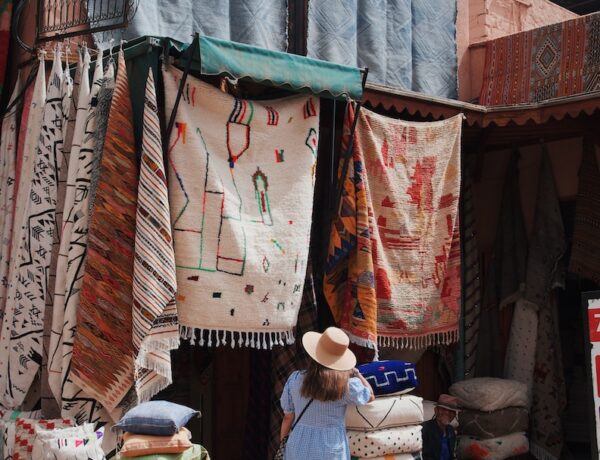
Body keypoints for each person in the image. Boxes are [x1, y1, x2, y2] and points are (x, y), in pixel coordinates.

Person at [280, 327, 375, 460]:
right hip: (330, 447)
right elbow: (370, 395)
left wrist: (283, 442)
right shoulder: (345, 386)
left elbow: (288, 417)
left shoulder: (295, 379)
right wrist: (356, 373)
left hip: (298, 444)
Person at [421, 394, 459, 460]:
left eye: (451, 411)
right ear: (436, 410)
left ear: (454, 415)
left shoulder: (451, 431)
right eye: (443, 409)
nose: (447, 412)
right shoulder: (425, 429)